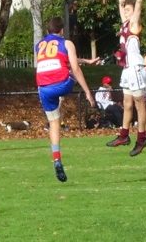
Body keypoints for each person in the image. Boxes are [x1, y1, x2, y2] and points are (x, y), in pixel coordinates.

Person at [35, 17, 95, 182]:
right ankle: (63, 96)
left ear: (48, 31)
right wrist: (88, 92)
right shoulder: (67, 43)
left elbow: (62, 59)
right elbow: (74, 66)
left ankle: (57, 159)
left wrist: (86, 61)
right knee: (72, 75)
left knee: (54, 122)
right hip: (62, 83)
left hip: (43, 88)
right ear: (62, 30)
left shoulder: (39, 45)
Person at [107, 0, 146, 156]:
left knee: (139, 104)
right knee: (126, 103)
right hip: (126, 69)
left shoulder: (134, 24)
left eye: (129, 9)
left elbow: (140, 2)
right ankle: (124, 134)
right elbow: (120, 0)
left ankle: (142, 137)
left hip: (135, 68)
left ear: (133, 11)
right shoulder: (124, 23)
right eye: (125, 9)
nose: (125, 10)